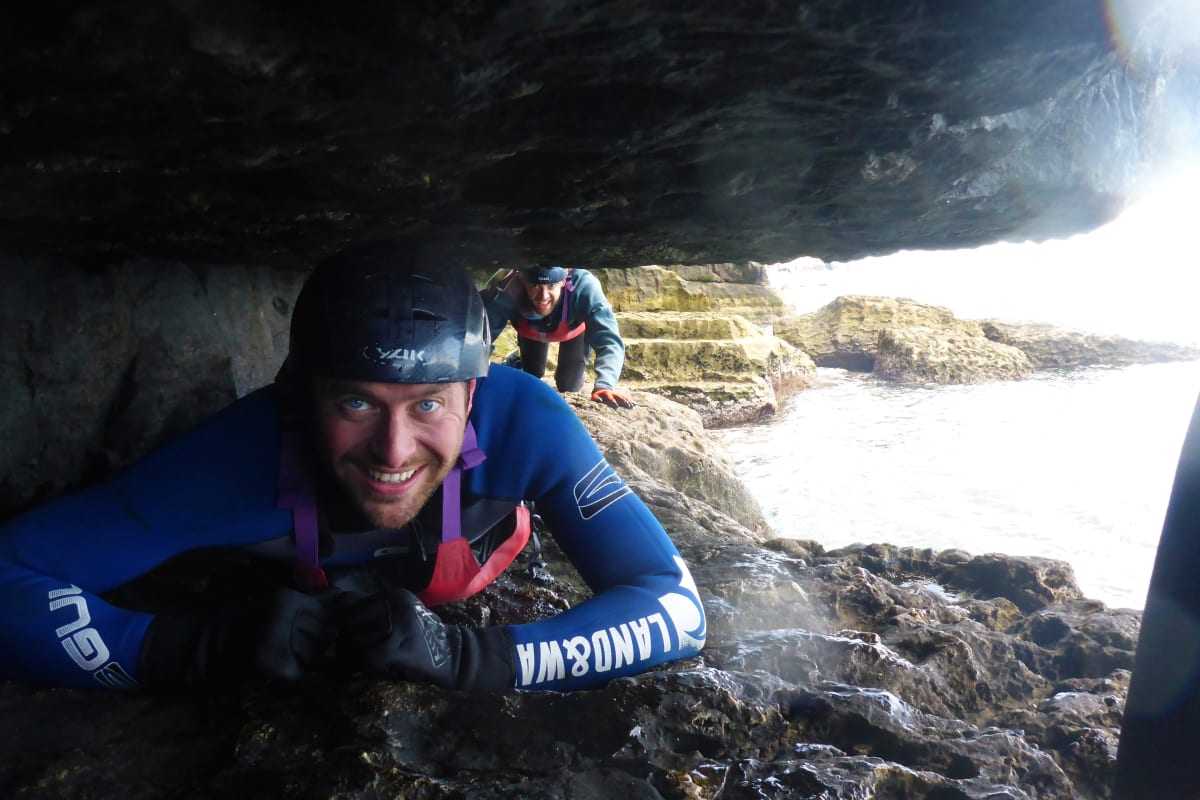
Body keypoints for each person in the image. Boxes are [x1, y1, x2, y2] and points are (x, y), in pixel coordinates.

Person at [0, 240, 705, 693]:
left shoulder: (526, 422)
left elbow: (674, 607)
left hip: (484, 574)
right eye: (357, 403)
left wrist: (472, 659)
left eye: (428, 406)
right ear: (300, 398)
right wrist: (185, 648)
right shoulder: (236, 460)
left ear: (472, 396)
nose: (392, 452)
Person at [483, 265, 635, 409]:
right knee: (532, 374)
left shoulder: (585, 287)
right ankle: (517, 358)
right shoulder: (506, 290)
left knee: (569, 385)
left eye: (552, 285)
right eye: (535, 286)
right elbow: (482, 336)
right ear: (523, 282)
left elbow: (609, 340)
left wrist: (605, 384)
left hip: (572, 330)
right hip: (530, 330)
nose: (543, 296)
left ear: (563, 281)